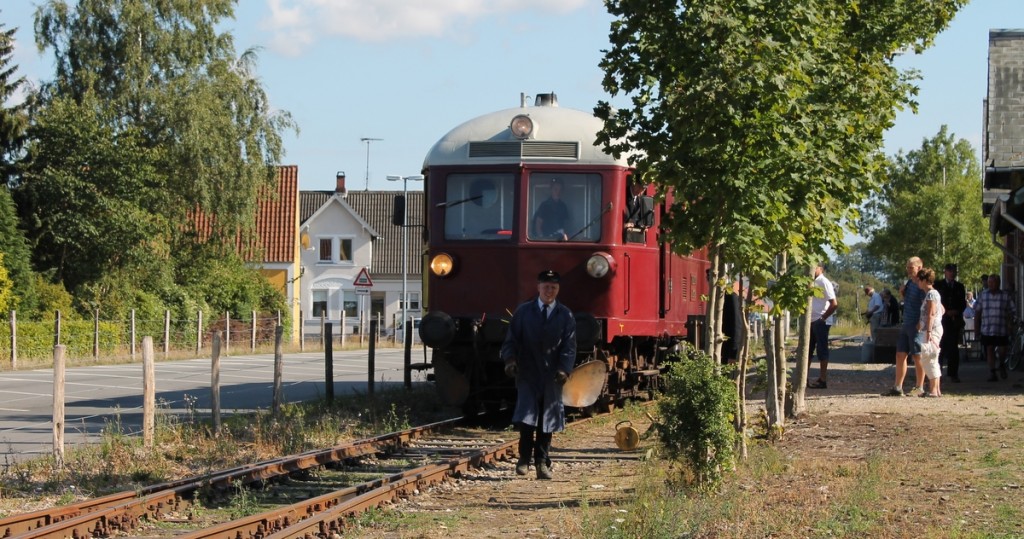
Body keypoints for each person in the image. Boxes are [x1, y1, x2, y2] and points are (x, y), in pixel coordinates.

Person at [501, 269, 576, 480]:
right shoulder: (524, 312)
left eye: (553, 287)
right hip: (527, 372)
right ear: (538, 288)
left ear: (558, 289)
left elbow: (569, 347)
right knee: (527, 418)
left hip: (552, 375)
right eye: (545, 287)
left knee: (547, 419)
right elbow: (511, 340)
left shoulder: (565, 315)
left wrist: (564, 369)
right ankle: (524, 459)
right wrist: (510, 360)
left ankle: (542, 463)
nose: (549, 291)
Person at [885, 256, 924, 396]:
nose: (908, 270)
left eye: (911, 268)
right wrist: (902, 293)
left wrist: (921, 322)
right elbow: (906, 301)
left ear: (919, 268)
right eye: (907, 267)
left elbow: (925, 305)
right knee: (900, 354)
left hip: (916, 324)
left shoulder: (921, 285)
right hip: (906, 322)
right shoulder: (909, 283)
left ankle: (919, 387)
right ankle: (898, 386)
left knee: (917, 355)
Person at [974, 274, 1016, 382]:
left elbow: (1012, 311)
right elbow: (977, 312)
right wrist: (976, 329)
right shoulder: (983, 295)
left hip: (1001, 328)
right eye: (989, 282)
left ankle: (1001, 363)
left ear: (998, 283)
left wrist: (1010, 324)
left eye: (993, 282)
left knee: (1003, 350)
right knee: (989, 349)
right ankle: (992, 372)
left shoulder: (1005, 296)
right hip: (987, 328)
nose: (991, 284)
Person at [933, 263, 967, 383]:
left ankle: (953, 374)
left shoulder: (959, 286)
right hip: (941, 320)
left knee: (953, 348)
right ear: (945, 272)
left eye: (954, 271)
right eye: (950, 271)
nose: (952, 273)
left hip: (954, 321)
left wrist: (956, 311)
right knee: (940, 347)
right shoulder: (938, 285)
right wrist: (945, 311)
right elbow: (935, 301)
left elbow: (963, 303)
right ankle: (938, 374)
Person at [807, 262, 838, 389]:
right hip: (811, 320)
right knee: (807, 350)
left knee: (821, 349)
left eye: (813, 267)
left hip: (820, 322)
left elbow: (834, 303)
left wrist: (823, 318)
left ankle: (823, 379)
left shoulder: (824, 282)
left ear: (820, 268)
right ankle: (804, 378)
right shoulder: (810, 282)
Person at [916, 268, 944, 397]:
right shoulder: (933, 294)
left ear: (924, 280)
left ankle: (933, 390)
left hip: (931, 330)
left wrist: (928, 330)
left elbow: (931, 314)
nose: (918, 283)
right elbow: (942, 310)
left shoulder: (931, 294)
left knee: (929, 357)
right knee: (932, 358)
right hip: (934, 328)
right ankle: (936, 389)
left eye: (919, 280)